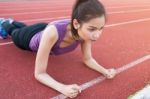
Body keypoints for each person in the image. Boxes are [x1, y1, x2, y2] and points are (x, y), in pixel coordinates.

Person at [0, 0, 117, 98]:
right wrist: (62, 88)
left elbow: (88, 59)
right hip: (27, 38)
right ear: (76, 24)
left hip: (43, 29)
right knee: (13, 32)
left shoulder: (85, 34)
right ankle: (4, 22)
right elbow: (39, 73)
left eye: (100, 28)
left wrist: (105, 71)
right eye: (92, 29)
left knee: (23, 26)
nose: (97, 35)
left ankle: (13, 21)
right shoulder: (53, 33)